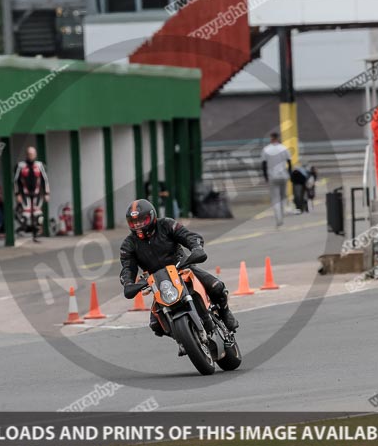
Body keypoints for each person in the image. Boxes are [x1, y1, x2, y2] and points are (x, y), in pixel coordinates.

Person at [119, 199, 238, 335]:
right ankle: (183, 337)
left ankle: (225, 311)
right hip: (158, 282)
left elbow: (189, 236)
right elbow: (127, 267)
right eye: (134, 222)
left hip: (182, 268)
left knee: (216, 287)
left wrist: (196, 248)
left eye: (142, 220)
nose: (138, 225)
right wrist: (128, 283)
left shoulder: (167, 224)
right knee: (156, 325)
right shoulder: (128, 244)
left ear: (151, 217)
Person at [13, 146, 50, 241]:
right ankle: (23, 230)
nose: (31, 156)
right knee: (26, 214)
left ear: (35, 154)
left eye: (32, 154)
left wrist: (46, 193)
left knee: (38, 214)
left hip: (37, 193)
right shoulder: (20, 166)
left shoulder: (40, 165)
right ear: (26, 155)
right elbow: (16, 181)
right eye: (29, 154)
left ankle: (37, 233)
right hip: (25, 194)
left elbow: (44, 180)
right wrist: (17, 194)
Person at [261, 132, 292, 227]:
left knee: (275, 198)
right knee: (283, 197)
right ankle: (282, 216)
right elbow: (289, 163)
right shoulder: (284, 148)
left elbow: (263, 165)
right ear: (278, 138)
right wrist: (289, 174)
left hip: (272, 176)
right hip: (283, 176)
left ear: (271, 138)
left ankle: (278, 218)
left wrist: (265, 177)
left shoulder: (266, 149)